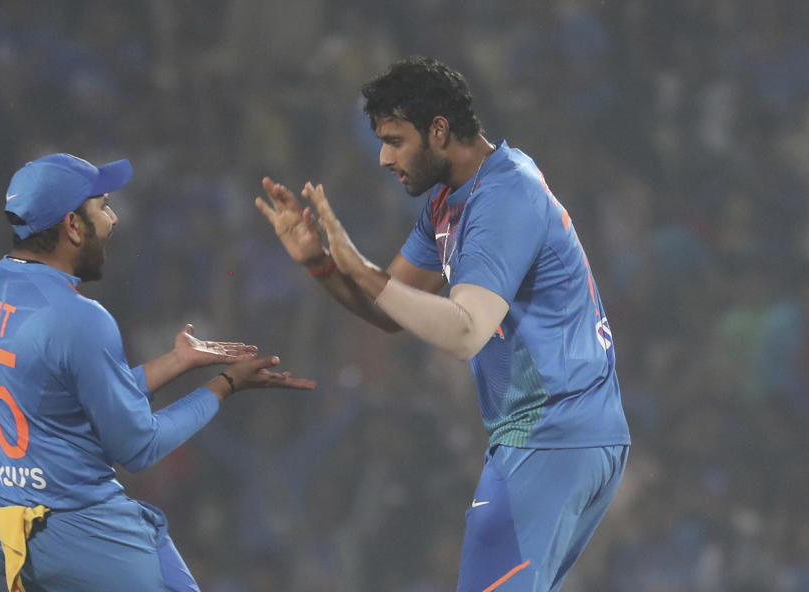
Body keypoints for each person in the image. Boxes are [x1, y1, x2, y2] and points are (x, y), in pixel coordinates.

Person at [255, 56, 630, 592]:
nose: (384, 158)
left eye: (395, 140)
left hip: (552, 436)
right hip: (558, 436)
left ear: (438, 130)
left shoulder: (505, 194)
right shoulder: (447, 203)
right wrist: (321, 263)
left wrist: (359, 268)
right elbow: (391, 310)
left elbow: (465, 331)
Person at [0, 153, 315, 592]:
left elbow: (65, 402)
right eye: (102, 207)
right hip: (73, 530)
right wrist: (225, 386)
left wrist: (176, 361)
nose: (113, 218)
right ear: (72, 225)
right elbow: (138, 446)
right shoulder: (79, 317)